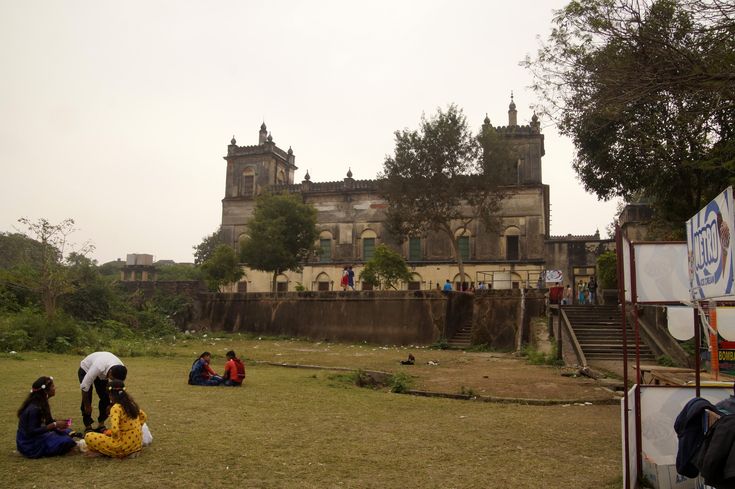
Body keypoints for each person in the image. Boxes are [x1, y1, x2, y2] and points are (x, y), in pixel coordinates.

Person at [16, 376, 78, 458]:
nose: (55, 388)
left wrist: (59, 424)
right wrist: (54, 425)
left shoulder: (41, 403)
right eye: (52, 386)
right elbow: (32, 431)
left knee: (68, 431)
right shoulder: (34, 408)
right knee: (67, 441)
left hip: (38, 437)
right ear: (45, 391)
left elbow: (48, 422)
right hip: (29, 445)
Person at [84, 379, 147, 458]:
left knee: (88, 436)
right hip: (137, 444)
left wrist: (112, 437)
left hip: (122, 447)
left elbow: (115, 429)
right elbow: (144, 416)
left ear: (110, 395)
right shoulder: (131, 403)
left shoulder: (116, 408)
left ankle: (105, 452)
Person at [78, 351, 127, 433]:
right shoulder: (98, 367)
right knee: (88, 397)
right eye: (112, 379)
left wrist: (111, 404)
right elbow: (84, 386)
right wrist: (87, 406)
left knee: (106, 398)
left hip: (103, 372)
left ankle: (101, 424)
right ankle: (88, 425)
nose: (113, 381)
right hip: (86, 369)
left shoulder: (120, 369)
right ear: (110, 372)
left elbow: (118, 389)